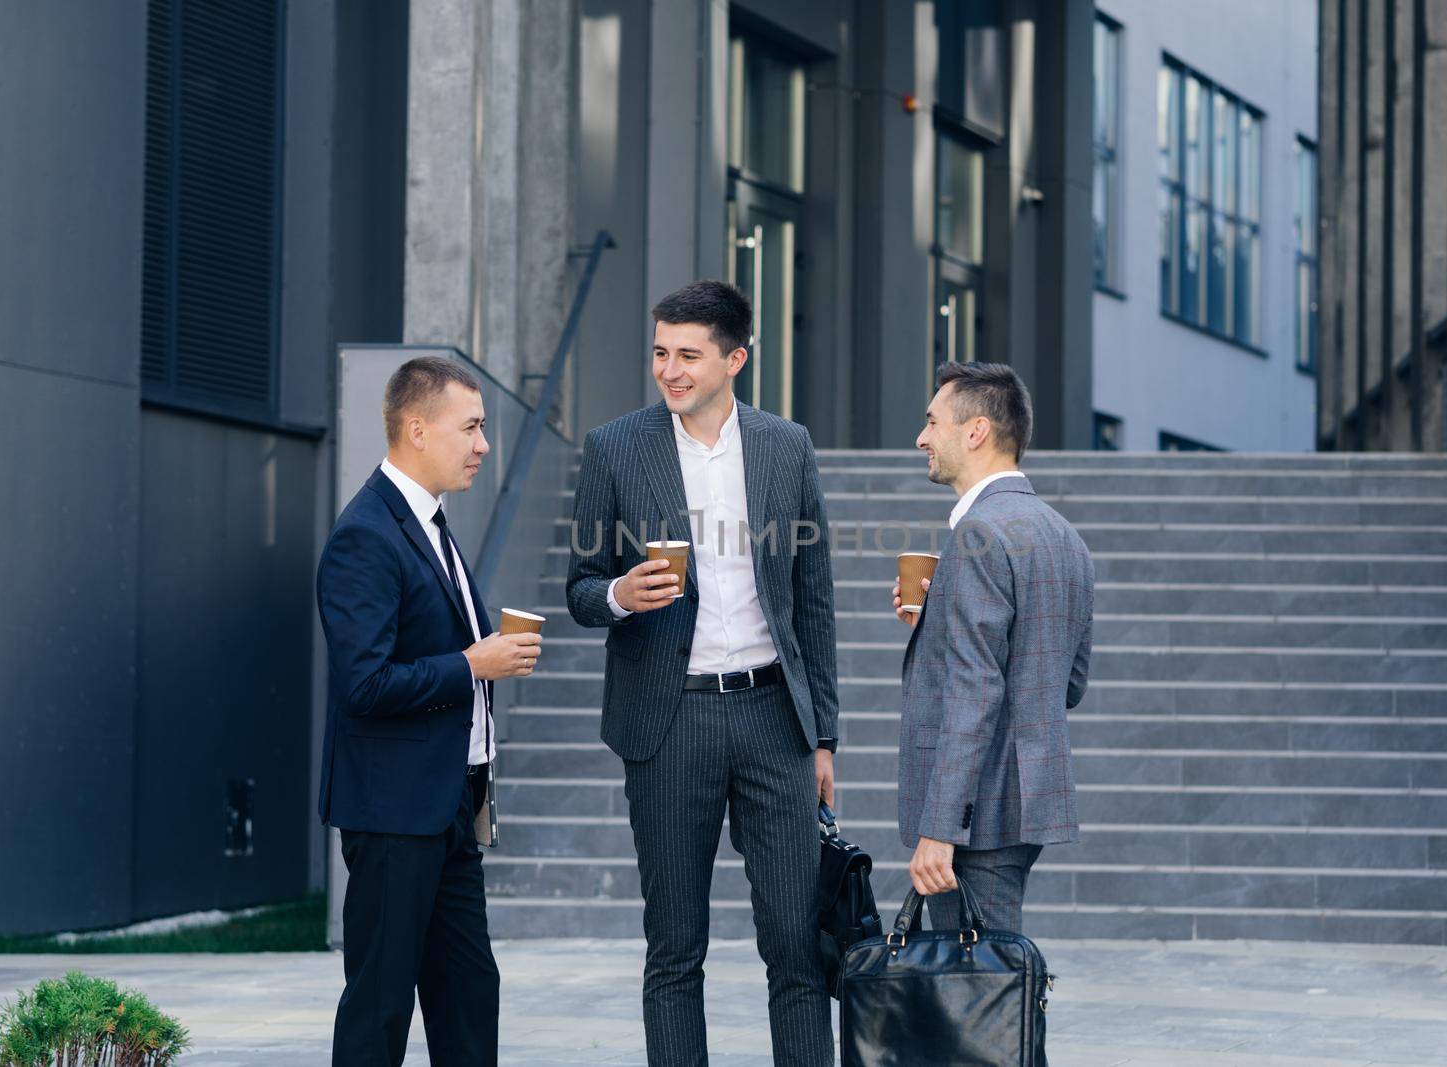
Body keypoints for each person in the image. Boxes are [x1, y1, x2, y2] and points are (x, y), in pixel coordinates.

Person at [566, 279, 838, 1066]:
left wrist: (824, 738)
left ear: (735, 359)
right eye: (660, 352)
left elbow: (814, 604)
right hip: (667, 718)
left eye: (688, 354)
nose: (669, 369)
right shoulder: (615, 447)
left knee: (795, 946)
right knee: (675, 947)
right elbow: (581, 587)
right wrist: (620, 592)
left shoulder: (788, 447)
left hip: (773, 721)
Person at [318, 356, 541, 1066]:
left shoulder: (431, 525)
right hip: (393, 814)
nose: (483, 445)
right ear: (416, 428)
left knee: (469, 993)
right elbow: (363, 685)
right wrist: (473, 664)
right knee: (380, 1004)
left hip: (449, 807)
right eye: (471, 427)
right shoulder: (366, 535)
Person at [891, 361, 1094, 934]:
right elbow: (1068, 684)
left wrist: (940, 829)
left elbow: (975, 689)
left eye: (932, 422)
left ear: (975, 431)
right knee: (990, 984)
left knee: (974, 998)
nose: (921, 437)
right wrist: (937, 628)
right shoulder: (1065, 536)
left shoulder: (977, 534)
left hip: (977, 814)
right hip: (1025, 805)